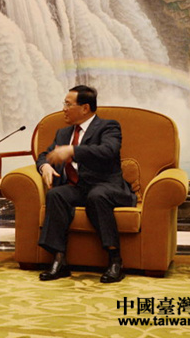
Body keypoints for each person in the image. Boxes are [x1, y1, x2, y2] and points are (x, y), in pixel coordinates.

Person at [36, 85, 136, 283]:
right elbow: (45, 155)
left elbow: (108, 151)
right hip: (78, 187)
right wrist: (44, 166)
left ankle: (115, 260)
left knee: (96, 196)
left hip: (106, 185)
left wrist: (73, 151)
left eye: (68, 104)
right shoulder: (63, 133)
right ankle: (59, 260)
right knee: (56, 194)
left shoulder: (108, 127)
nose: (64, 109)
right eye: (64, 104)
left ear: (85, 108)